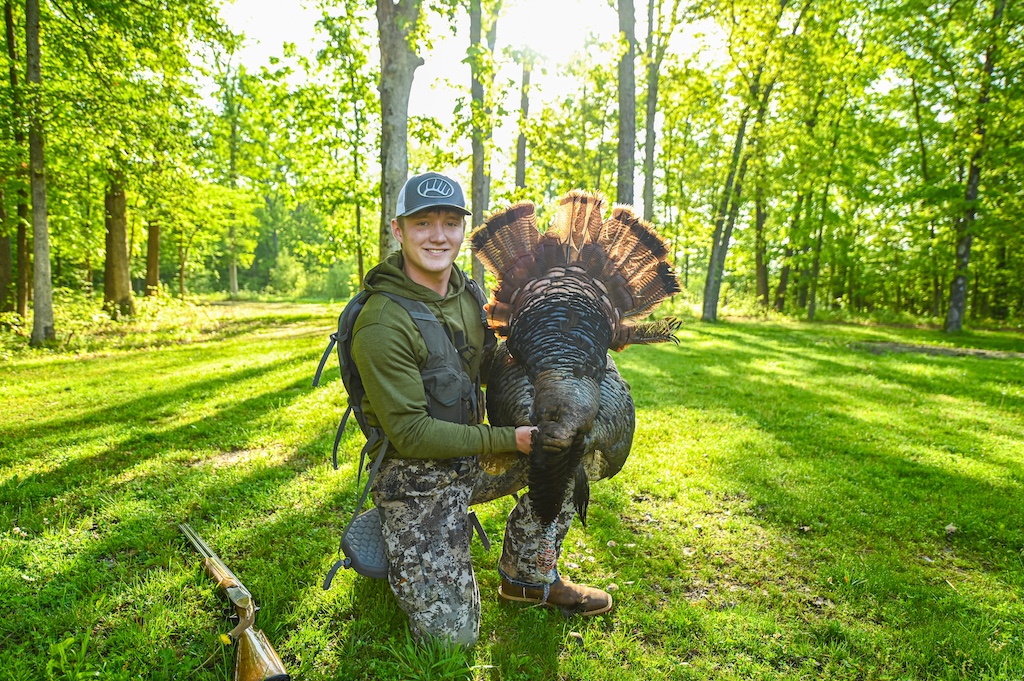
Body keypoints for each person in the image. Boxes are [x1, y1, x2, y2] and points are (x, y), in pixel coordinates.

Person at [351, 171, 612, 647]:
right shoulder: (382, 322)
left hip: (472, 459)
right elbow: (411, 434)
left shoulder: (466, 294)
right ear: (398, 230)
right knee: (452, 639)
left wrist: (563, 367)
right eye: (423, 223)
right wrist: (512, 439)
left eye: (450, 223)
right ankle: (400, 524)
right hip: (415, 475)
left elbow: (491, 365)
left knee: (568, 451)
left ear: (461, 231)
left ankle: (527, 577)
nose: (438, 236)